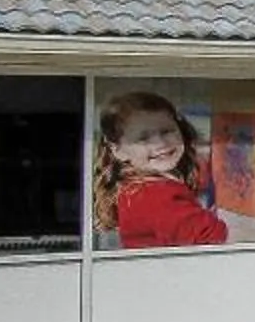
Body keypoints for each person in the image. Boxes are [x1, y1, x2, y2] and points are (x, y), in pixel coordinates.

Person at [93, 91, 227, 249]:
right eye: (143, 138)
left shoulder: (134, 189)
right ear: (118, 151)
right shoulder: (155, 194)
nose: (160, 143)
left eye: (167, 131)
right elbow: (212, 239)